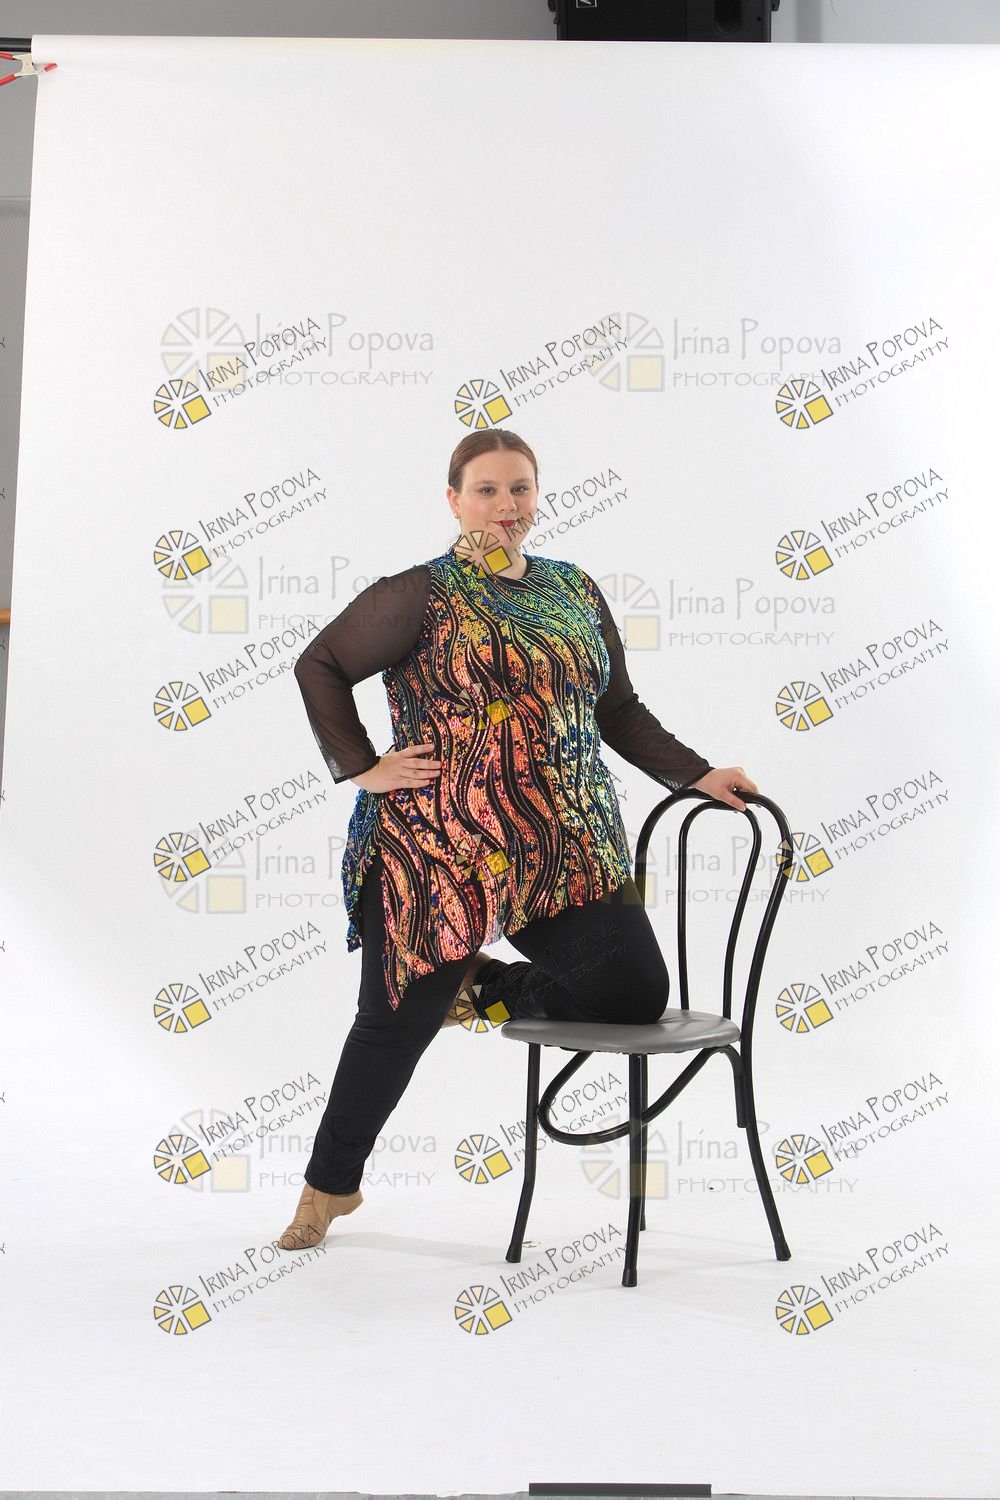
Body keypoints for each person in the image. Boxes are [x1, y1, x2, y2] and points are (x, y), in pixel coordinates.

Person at [277, 428, 758, 1251]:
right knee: (393, 1023)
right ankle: (327, 1190)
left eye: (521, 489)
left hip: (561, 845)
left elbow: (617, 710)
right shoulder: (420, 593)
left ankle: (486, 990)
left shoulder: (572, 588)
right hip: (435, 846)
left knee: (633, 995)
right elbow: (318, 664)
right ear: (454, 498)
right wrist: (362, 767)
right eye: (488, 490)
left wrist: (697, 774)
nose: (507, 506)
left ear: (538, 494)